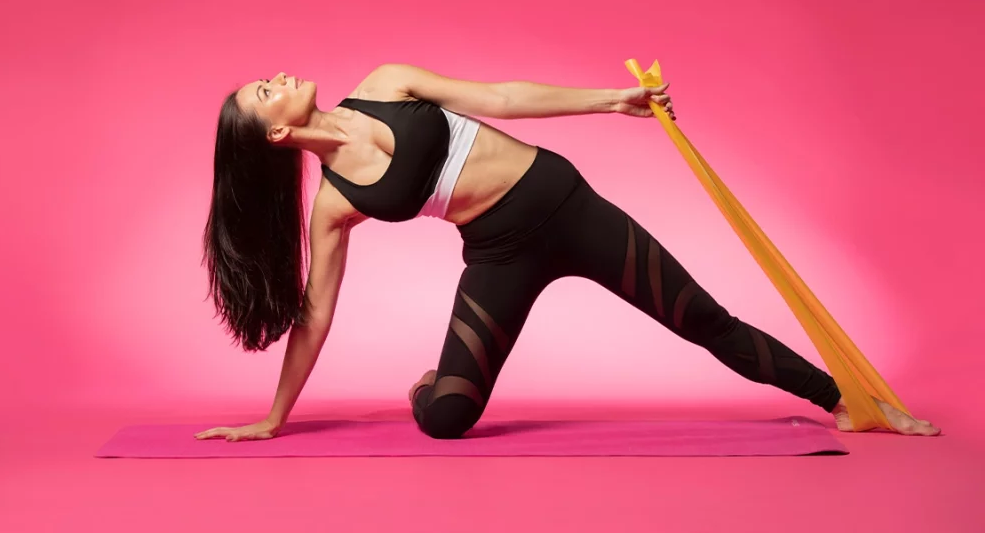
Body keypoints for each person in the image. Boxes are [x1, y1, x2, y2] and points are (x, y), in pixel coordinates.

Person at [195, 64, 939, 442]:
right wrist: (274, 416)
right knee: (446, 419)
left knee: (699, 318)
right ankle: (431, 381)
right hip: (499, 253)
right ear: (278, 138)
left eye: (270, 76)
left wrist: (608, 102)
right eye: (267, 91)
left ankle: (846, 402)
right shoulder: (334, 206)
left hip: (564, 204)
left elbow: (504, 98)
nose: (280, 76)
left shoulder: (384, 85)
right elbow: (316, 314)